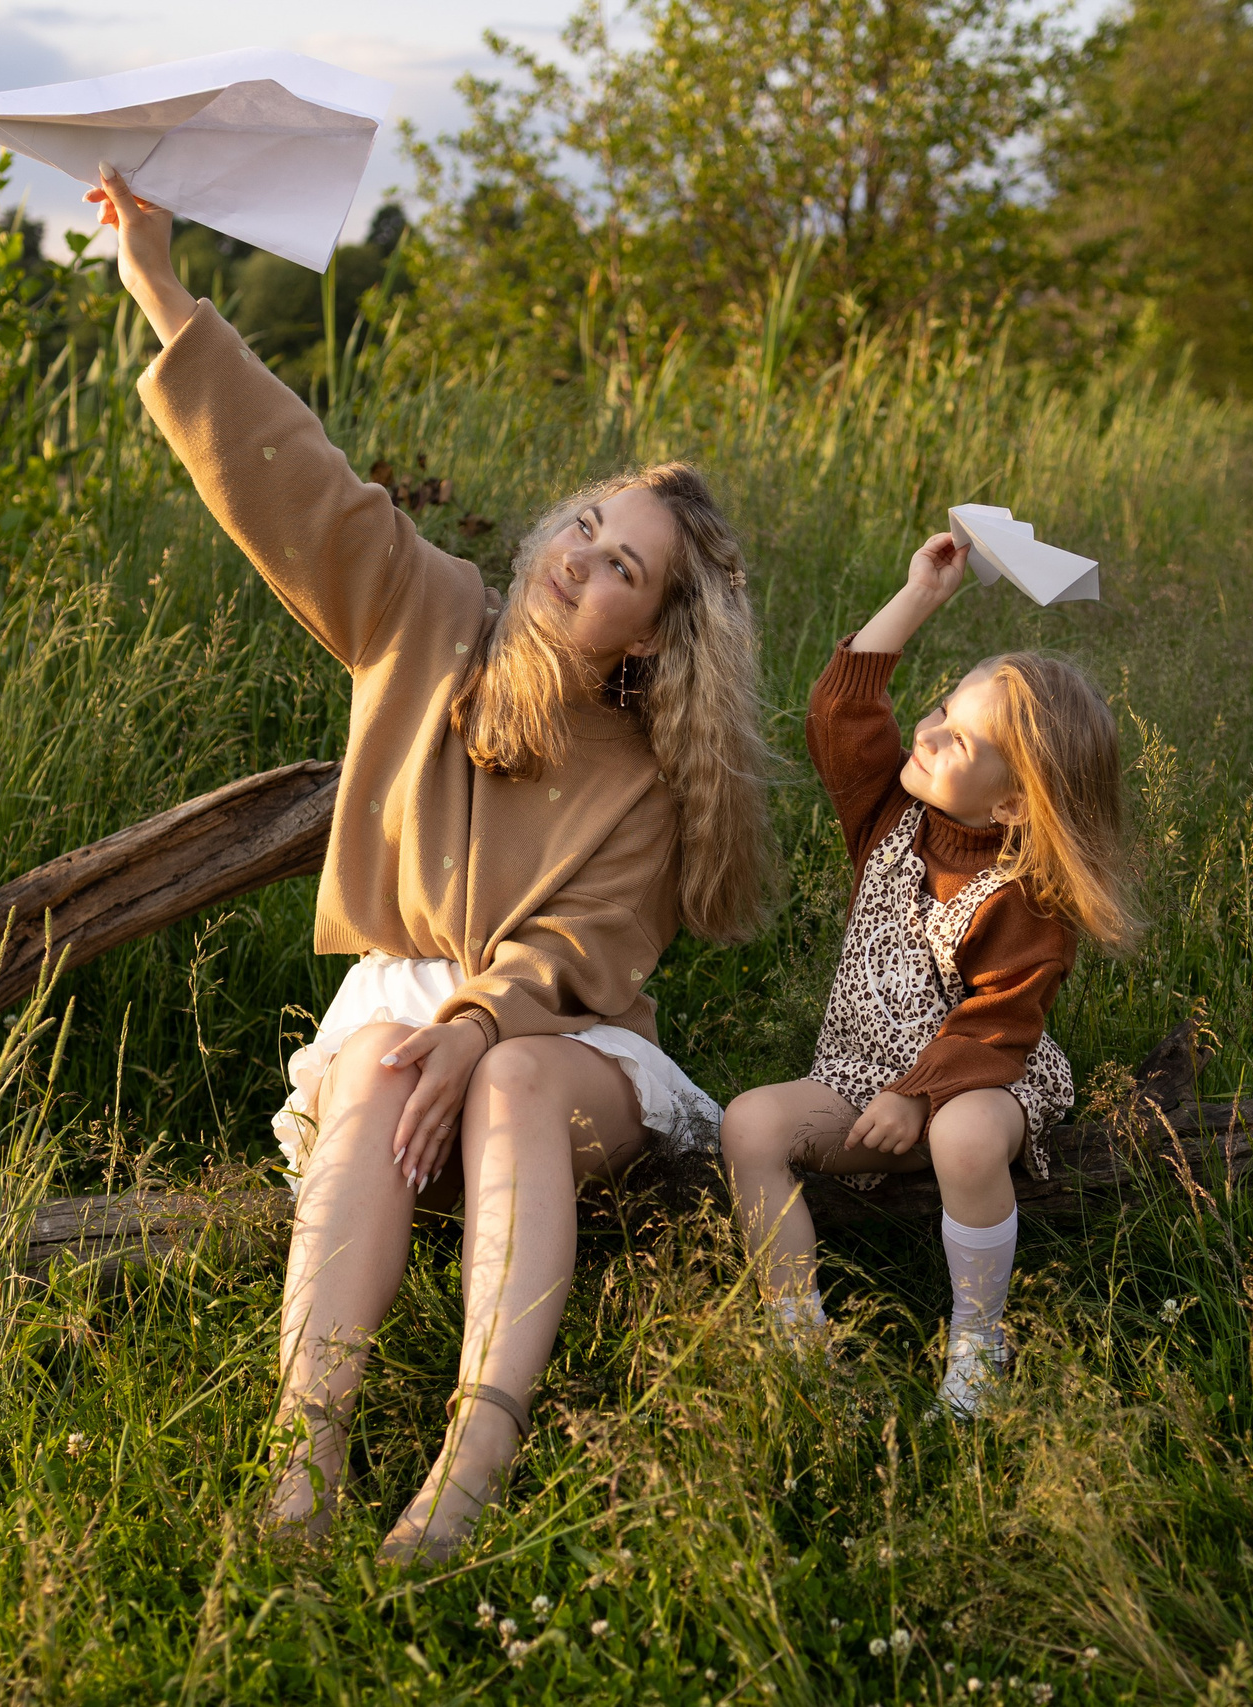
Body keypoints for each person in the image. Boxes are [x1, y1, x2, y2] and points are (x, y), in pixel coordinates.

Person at [87, 166, 773, 1558]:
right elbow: (304, 488)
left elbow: (584, 956)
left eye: (625, 566)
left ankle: (469, 1465)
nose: (583, 557)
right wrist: (162, 284)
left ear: (649, 635)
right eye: (587, 525)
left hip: (562, 1042)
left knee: (506, 1069)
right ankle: (304, 1462)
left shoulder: (651, 770)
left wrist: (479, 1026)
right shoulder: (432, 617)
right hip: (404, 1011)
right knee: (392, 1056)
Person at [719, 531, 1138, 1416]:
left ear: (1013, 802)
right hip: (858, 1077)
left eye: (957, 738)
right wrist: (919, 595)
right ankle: (799, 1335)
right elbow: (838, 713)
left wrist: (918, 1096)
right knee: (751, 1123)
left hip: (985, 1074)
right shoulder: (889, 814)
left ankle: (979, 1339)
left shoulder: (1024, 891)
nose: (928, 727)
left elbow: (997, 1022)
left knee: (964, 1139)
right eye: (943, 705)